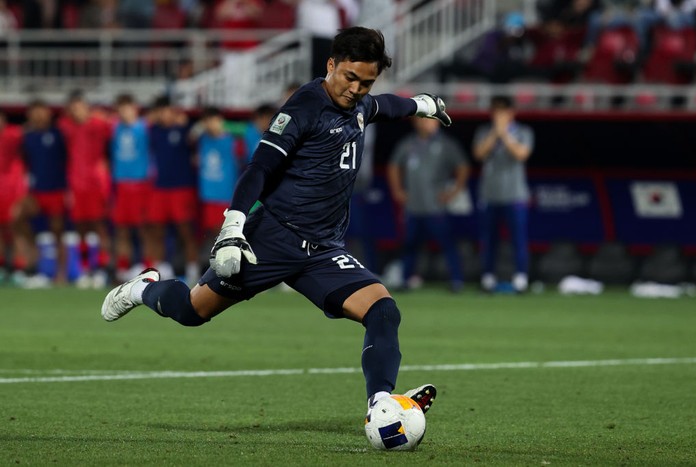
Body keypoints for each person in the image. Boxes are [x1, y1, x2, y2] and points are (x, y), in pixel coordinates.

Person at [102, 27, 451, 425]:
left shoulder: (361, 104)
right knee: (191, 311)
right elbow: (260, 167)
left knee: (383, 310)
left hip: (322, 249)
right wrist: (233, 226)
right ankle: (144, 288)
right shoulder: (304, 106)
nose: (356, 89)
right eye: (349, 77)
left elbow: (386, 106)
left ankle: (381, 406)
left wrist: (423, 104)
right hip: (271, 239)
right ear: (331, 65)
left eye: (366, 82)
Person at [387, 116, 470, 293]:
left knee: (447, 244)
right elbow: (393, 165)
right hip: (413, 206)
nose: (424, 123)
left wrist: (454, 191)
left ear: (437, 122)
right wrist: (397, 190)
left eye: (429, 120)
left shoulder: (446, 144)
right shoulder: (408, 143)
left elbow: (463, 166)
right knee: (409, 245)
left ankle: (456, 280)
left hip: (435, 206)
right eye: (421, 120)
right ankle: (405, 280)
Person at [472, 95, 534, 293]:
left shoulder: (524, 131)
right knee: (489, 240)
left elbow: (521, 154)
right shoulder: (484, 131)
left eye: (502, 111)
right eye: (495, 111)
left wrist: (504, 133)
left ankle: (521, 279)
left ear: (511, 113)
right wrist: (494, 133)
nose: (498, 115)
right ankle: (488, 278)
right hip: (489, 195)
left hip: (515, 195)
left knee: (518, 239)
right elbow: (479, 154)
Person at [58, 90, 113, 288]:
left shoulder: (100, 125)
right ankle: (84, 270)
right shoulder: (66, 127)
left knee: (99, 227)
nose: (77, 111)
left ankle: (103, 269)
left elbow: (116, 124)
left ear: (87, 107)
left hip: (96, 184)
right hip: (76, 184)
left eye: (80, 107)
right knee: (80, 229)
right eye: (74, 108)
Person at [147, 95, 199, 284]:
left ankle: (193, 271)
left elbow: (201, 130)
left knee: (185, 232)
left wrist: (186, 121)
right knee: (157, 231)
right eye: (160, 111)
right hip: (160, 189)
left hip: (181, 188)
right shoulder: (153, 131)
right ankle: (157, 271)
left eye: (167, 111)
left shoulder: (186, 130)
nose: (164, 115)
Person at [18, 99, 69, 284]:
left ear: (48, 113)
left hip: (56, 190)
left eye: (42, 111)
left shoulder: (58, 134)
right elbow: (25, 164)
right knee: (17, 219)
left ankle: (61, 274)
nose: (38, 115)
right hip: (35, 192)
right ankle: (33, 264)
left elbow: (68, 160)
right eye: (34, 112)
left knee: (58, 232)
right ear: (29, 115)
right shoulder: (27, 137)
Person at [110, 93, 153, 282]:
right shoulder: (114, 128)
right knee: (122, 230)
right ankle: (121, 270)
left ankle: (148, 269)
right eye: (120, 109)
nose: (124, 112)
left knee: (144, 229)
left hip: (140, 184)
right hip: (121, 185)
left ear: (134, 108)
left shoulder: (145, 127)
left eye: (127, 108)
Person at [195, 106, 240, 248]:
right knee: (210, 235)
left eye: (214, 121)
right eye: (207, 121)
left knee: (225, 234)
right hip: (208, 195)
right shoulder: (202, 139)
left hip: (226, 196)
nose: (211, 125)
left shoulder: (232, 140)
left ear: (221, 121)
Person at [0, 110, 28, 284]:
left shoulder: (14, 135)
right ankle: (2, 268)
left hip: (14, 192)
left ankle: (20, 269)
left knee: (17, 229)